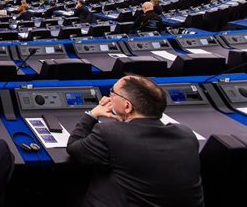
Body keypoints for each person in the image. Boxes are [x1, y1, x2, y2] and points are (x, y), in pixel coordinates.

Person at [66, 75, 204, 207]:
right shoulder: (187, 135)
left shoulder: (109, 133)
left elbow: (74, 147)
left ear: (127, 106)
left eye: (112, 93)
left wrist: (93, 114)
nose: (109, 97)